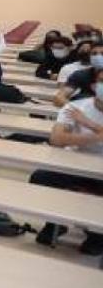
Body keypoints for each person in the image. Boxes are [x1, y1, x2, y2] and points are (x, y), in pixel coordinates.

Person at [29, 66, 103, 255]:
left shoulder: (79, 113)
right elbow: (56, 139)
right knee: (41, 177)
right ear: (95, 86)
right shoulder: (76, 106)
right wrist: (96, 136)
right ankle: (54, 223)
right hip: (77, 163)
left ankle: (97, 235)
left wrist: (89, 125)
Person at [54, 39, 103, 106]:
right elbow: (59, 98)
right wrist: (77, 109)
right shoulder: (81, 74)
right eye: (94, 54)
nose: (98, 57)